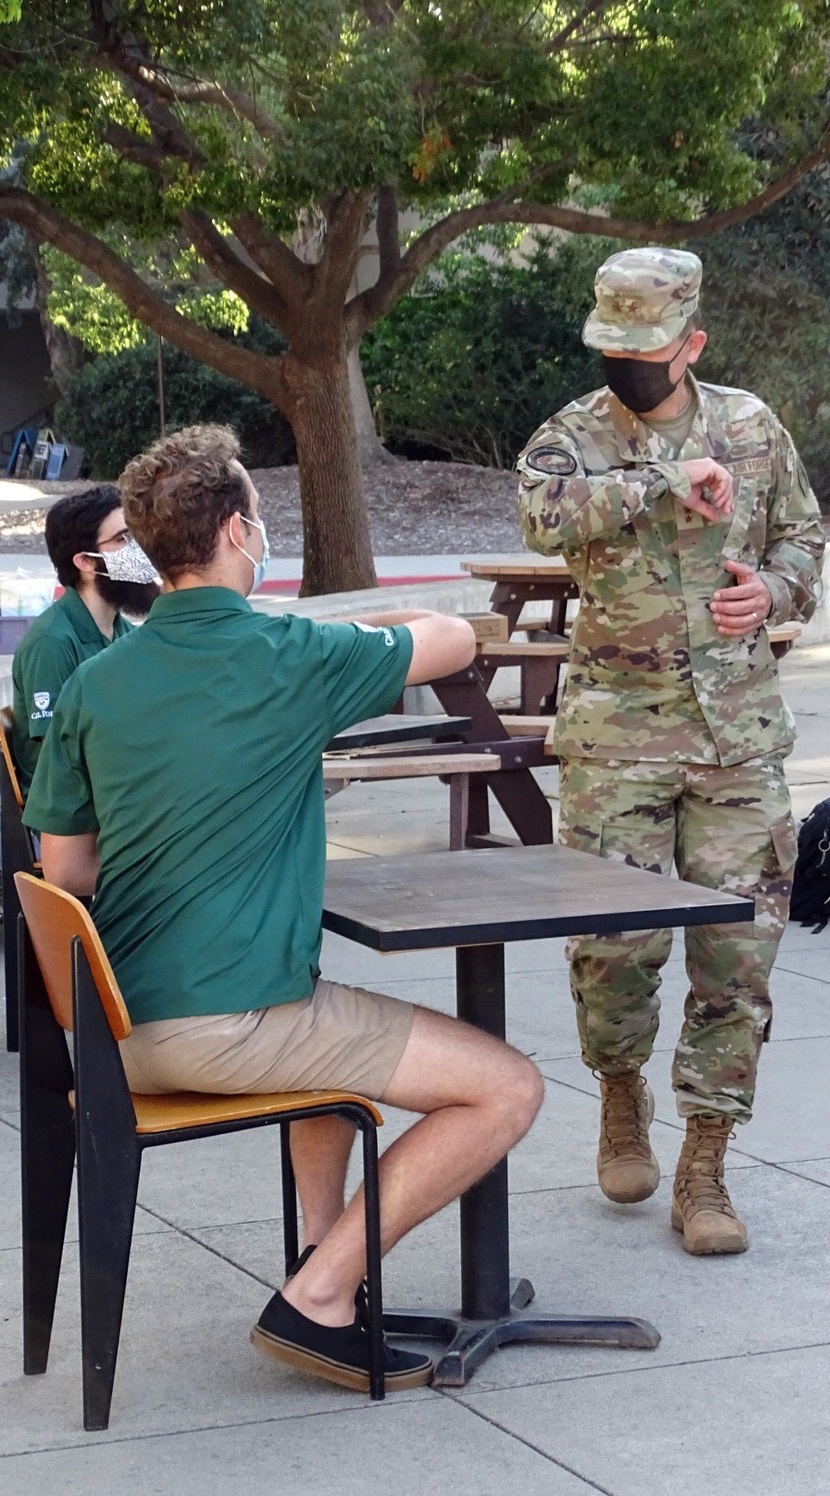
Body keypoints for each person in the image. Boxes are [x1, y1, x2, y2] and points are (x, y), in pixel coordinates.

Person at [23, 424, 543, 1393]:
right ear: (233, 530)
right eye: (258, 522)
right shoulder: (290, 652)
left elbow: (67, 864)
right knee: (504, 1086)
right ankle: (317, 1297)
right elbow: (455, 639)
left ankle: (324, 1264)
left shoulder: (97, 678)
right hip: (227, 1022)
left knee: (329, 1033)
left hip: (116, 1023)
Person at [517, 247, 824, 1255]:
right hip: (616, 741)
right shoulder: (572, 434)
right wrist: (656, 476)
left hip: (736, 736)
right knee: (614, 953)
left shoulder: (750, 427)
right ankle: (618, 1090)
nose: (626, 363)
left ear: (690, 343)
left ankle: (705, 1161)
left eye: (644, 348)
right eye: (611, 346)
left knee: (737, 955)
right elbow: (540, 514)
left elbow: (801, 548)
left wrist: (768, 595)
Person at [11, 485, 160, 792]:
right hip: (70, 811)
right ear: (86, 562)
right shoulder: (50, 643)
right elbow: (58, 756)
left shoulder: (121, 630)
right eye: (122, 538)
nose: (137, 548)